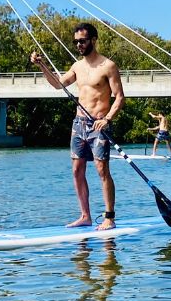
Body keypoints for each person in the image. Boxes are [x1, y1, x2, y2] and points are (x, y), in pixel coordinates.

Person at [31, 22, 125, 231]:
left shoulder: (108, 66)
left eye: (82, 41)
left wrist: (107, 119)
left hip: (99, 125)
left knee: (102, 170)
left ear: (93, 40)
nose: (79, 45)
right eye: (76, 42)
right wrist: (42, 66)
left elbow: (119, 97)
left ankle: (109, 217)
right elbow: (58, 84)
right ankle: (85, 216)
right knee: (76, 170)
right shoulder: (77, 67)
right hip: (79, 124)